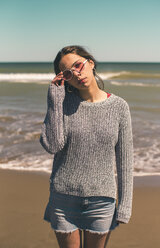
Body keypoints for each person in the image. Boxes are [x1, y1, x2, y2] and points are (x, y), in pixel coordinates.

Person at [40, 45, 134, 248]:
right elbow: (53, 145)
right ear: (64, 78)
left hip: (102, 201)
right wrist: (54, 100)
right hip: (63, 199)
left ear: (90, 63)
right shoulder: (61, 104)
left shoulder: (119, 107)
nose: (76, 73)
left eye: (78, 65)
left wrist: (125, 205)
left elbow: (125, 161)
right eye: (68, 73)